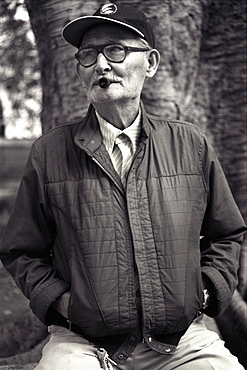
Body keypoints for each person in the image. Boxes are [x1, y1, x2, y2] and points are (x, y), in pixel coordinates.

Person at [0, 3, 246, 370]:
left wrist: (208, 289)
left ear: (150, 63)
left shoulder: (190, 145)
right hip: (80, 342)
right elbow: (22, 250)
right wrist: (63, 303)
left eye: (115, 50)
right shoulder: (49, 153)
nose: (101, 64)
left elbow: (227, 233)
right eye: (88, 54)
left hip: (182, 340)